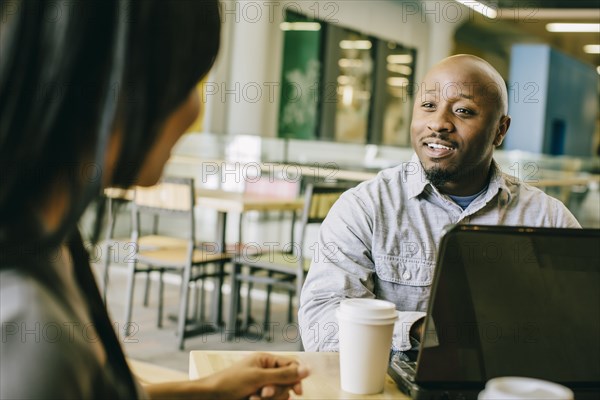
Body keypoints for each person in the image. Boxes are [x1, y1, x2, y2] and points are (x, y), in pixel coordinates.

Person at [0, 1, 308, 399]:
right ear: (114, 82)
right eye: (187, 83)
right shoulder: (31, 330)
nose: (194, 110)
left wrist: (215, 387)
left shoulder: (50, 237)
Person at [298, 54, 581, 354]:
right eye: (428, 106)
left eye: (463, 111)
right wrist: (424, 330)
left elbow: (583, 318)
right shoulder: (365, 208)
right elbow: (321, 324)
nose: (439, 123)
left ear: (500, 130)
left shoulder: (546, 218)